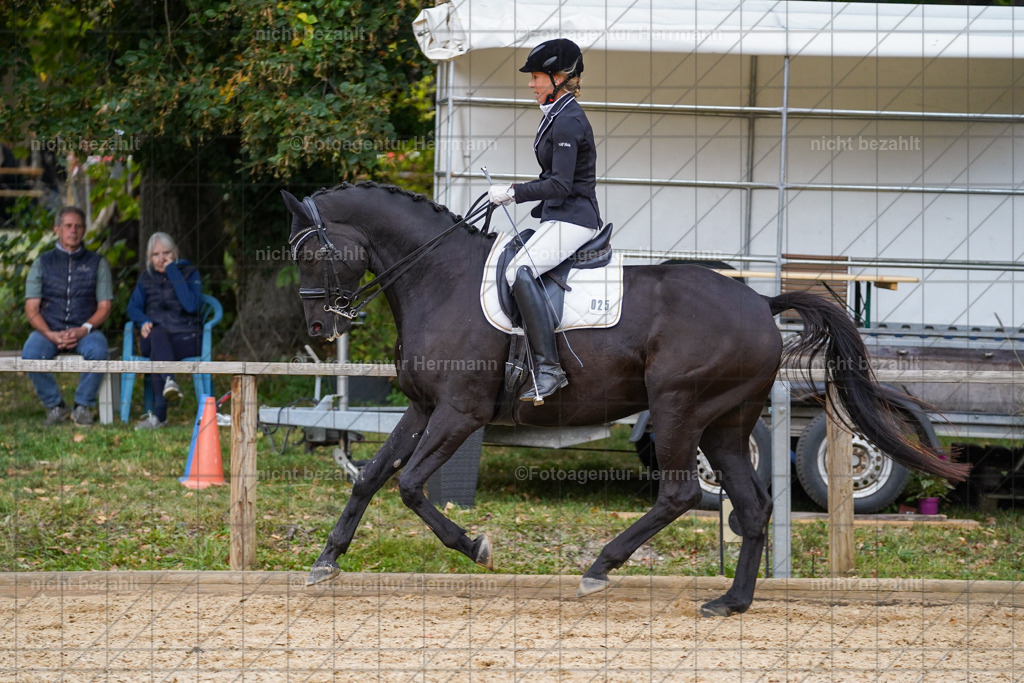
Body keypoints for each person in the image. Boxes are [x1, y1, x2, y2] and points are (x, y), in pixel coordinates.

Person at [488, 38, 602, 403]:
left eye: (537, 77)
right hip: (559, 216)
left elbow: (561, 184)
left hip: (575, 218)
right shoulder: (557, 114)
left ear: (558, 77)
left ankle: (550, 369)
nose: (531, 84)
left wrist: (513, 192)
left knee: (517, 271)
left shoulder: (568, 120)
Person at [22, 207, 113, 426]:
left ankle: (82, 406)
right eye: (68, 226)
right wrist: (50, 334)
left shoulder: (97, 262)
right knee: (30, 353)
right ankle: (55, 406)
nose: (73, 231)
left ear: (83, 231)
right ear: (57, 230)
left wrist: (84, 329)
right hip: (49, 329)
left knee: (99, 351)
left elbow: (105, 306)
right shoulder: (42, 262)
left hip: (85, 331)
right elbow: (31, 308)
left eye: (78, 226)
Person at [127, 232, 202, 429]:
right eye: (155, 255)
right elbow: (133, 307)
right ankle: (169, 380)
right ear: (149, 258)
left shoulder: (189, 272)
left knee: (157, 350)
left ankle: (159, 417)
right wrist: (142, 321)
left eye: (166, 253)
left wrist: (173, 271)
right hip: (155, 337)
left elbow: (191, 306)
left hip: (185, 338)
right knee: (157, 335)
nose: (161, 258)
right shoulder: (146, 278)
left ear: (175, 253)